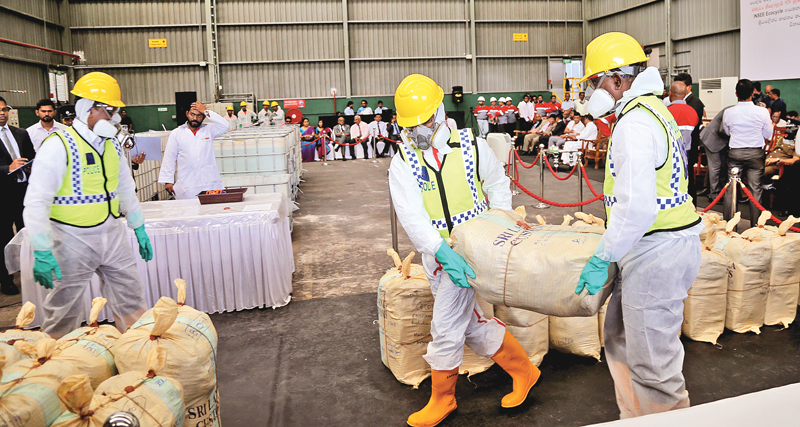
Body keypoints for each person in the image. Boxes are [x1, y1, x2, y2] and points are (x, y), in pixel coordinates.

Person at [390, 74, 540, 427]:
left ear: (440, 112)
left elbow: (497, 183)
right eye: (411, 125)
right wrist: (440, 252)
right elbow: (411, 216)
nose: (419, 131)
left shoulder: (470, 144)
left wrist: (501, 222)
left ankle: (443, 399)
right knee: (470, 324)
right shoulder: (403, 161)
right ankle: (525, 371)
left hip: (474, 249)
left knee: (445, 326)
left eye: (424, 121)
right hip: (438, 256)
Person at [577, 32, 702, 419]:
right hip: (656, 245)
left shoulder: (633, 121)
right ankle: (632, 416)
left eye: (596, 82)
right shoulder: (652, 109)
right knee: (620, 338)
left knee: (652, 363)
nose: (593, 92)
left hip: (656, 249)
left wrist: (603, 256)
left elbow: (638, 207)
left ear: (617, 80)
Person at [23, 72, 153, 337]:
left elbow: (125, 188)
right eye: (110, 111)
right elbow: (36, 200)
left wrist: (138, 226)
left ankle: (138, 350)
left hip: (111, 233)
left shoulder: (112, 145)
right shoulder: (59, 145)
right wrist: (42, 249)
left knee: (131, 297)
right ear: (89, 109)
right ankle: (53, 361)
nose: (115, 119)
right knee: (64, 308)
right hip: (71, 238)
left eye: (115, 112)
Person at [722, 79, 773, 222]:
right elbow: (768, 134)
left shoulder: (728, 112)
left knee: (731, 190)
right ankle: (756, 227)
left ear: (736, 94)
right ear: (753, 93)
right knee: (755, 190)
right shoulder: (762, 111)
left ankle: (729, 225)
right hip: (755, 153)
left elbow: (727, 132)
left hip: (735, 152)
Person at [0, 96, 36, 295]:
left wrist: (32, 167)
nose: (2, 113)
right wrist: (8, 168)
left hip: (25, 193)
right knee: (4, 238)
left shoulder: (21, 133)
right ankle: (6, 279)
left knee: (29, 233)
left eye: (5, 109)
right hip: (3, 195)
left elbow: (31, 157)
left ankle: (31, 274)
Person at [158, 101, 229, 199]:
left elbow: (225, 126)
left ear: (204, 117)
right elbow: (169, 158)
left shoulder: (209, 129)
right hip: (187, 183)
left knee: (211, 209)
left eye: (199, 115)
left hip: (209, 181)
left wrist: (206, 111)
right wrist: (168, 181)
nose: (195, 118)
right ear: (187, 114)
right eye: (192, 114)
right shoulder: (176, 133)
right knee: (189, 210)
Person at [699, 106, 732, 201]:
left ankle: (720, 192)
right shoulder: (730, 111)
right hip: (713, 139)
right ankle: (714, 194)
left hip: (720, 141)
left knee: (722, 167)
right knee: (715, 168)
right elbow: (722, 130)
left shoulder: (732, 109)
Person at [666, 81, 699, 166]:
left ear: (670, 93)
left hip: (669, 154)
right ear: (685, 94)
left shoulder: (666, 112)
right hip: (686, 153)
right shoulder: (692, 112)